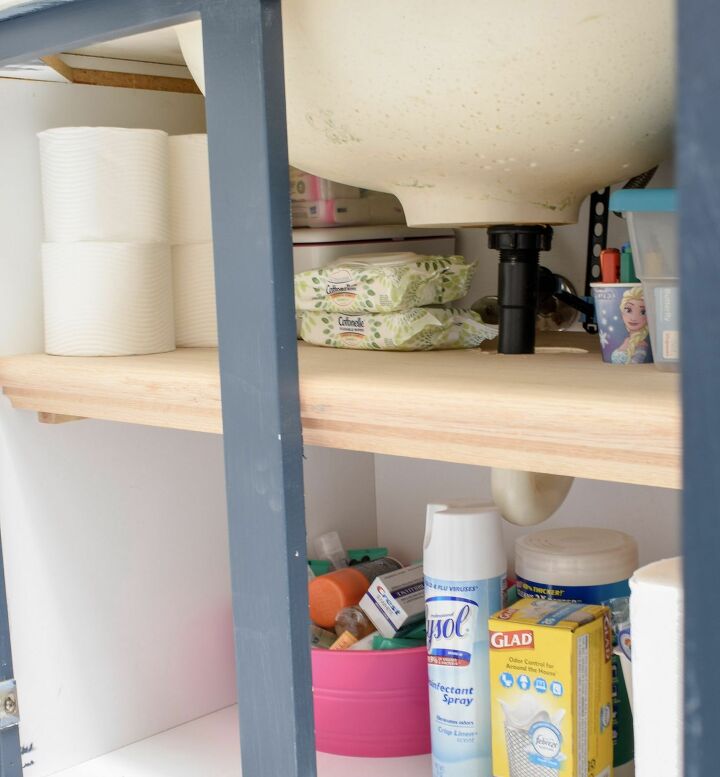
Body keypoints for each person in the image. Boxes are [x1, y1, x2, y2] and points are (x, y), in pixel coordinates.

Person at [611, 285, 652, 364]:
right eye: (628, 310)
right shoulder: (626, 340)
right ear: (622, 313)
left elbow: (635, 365)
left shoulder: (642, 345)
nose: (634, 318)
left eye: (643, 312)